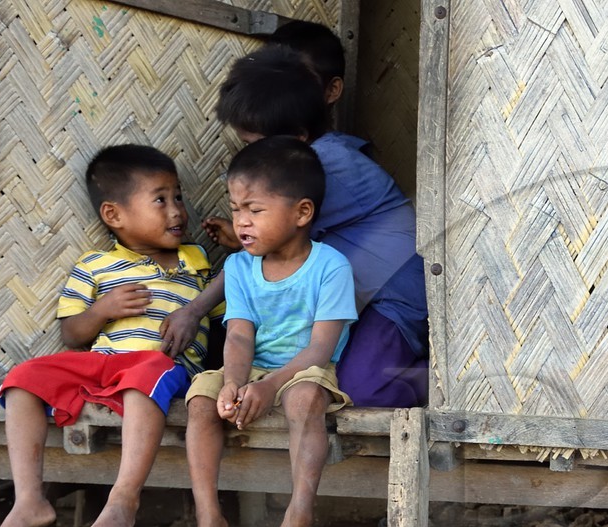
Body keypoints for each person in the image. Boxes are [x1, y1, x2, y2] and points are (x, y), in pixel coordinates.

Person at [0, 144, 218, 527]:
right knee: (22, 379)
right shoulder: (94, 265)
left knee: (146, 374)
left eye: (178, 196)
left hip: (164, 368)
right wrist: (103, 310)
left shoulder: (196, 261)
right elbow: (72, 334)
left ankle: (123, 496)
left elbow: (237, 300)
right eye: (160, 199)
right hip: (103, 362)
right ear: (114, 215)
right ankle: (28, 499)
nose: (177, 210)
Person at [170, 43, 429, 409]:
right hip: (353, 298)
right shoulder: (309, 158)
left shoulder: (320, 166)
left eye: (253, 144)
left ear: (298, 138)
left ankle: (439, 378)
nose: (250, 156)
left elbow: (262, 252)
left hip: (393, 297)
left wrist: (195, 310)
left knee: (364, 392)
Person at [182, 136, 356, 527]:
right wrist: (234, 384)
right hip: (254, 368)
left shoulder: (330, 266)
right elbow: (238, 334)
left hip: (304, 368)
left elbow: (320, 348)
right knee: (201, 402)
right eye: (237, 209)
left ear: (301, 213)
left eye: (254, 210)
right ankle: (209, 518)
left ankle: (298, 514)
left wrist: (271, 384)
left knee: (303, 402)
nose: (241, 222)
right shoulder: (239, 267)